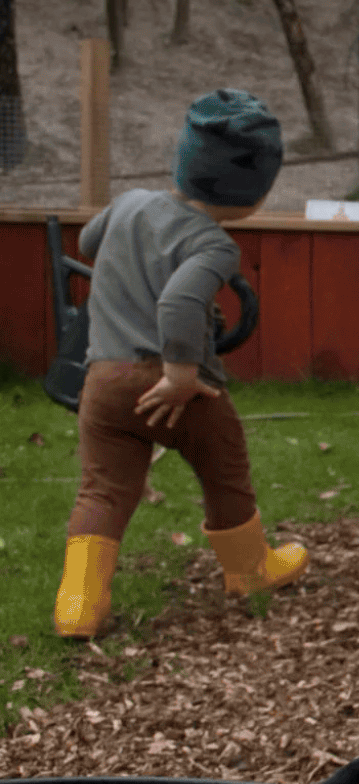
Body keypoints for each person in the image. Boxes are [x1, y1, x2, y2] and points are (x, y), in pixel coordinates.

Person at [53, 91, 309, 640]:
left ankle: (79, 605)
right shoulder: (213, 245)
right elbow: (178, 303)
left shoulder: (130, 203)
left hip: (104, 380)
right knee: (223, 468)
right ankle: (250, 569)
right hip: (174, 385)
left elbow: (90, 241)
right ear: (254, 193)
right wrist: (180, 376)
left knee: (102, 488)